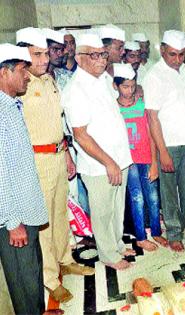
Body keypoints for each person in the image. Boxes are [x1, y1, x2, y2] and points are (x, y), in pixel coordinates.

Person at [16, 27, 94, 302]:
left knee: (60, 214)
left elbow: (57, 124)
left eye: (46, 54)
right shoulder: (20, 85)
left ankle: (65, 258)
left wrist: (67, 154)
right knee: (44, 221)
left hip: (58, 155)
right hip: (37, 161)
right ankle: (50, 278)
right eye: (37, 55)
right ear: (22, 54)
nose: (44, 60)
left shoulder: (49, 80)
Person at [62, 33, 133, 270]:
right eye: (95, 55)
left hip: (118, 159)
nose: (102, 60)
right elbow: (81, 135)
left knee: (117, 209)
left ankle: (118, 245)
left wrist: (119, 160)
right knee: (102, 213)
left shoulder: (102, 79)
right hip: (99, 165)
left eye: (103, 54)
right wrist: (109, 162)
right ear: (80, 57)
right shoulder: (75, 89)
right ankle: (108, 255)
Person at [0, 43, 48, 315]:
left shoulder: (10, 106)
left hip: (24, 210)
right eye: (22, 70)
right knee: (23, 282)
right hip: (14, 218)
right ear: (4, 73)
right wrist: (12, 222)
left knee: (32, 273)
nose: (28, 75)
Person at [143, 30, 185, 253]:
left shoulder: (183, 69)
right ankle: (174, 233)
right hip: (169, 144)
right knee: (169, 191)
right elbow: (152, 118)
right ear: (162, 50)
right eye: (172, 55)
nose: (177, 60)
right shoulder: (154, 76)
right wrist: (162, 152)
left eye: (181, 55)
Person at [113, 63, 168, 251]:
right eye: (125, 86)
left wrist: (154, 162)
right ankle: (140, 237)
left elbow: (151, 133)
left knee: (153, 196)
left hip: (146, 156)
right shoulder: (113, 108)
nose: (129, 91)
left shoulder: (142, 104)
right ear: (116, 86)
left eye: (132, 86)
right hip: (128, 160)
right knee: (137, 197)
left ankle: (156, 231)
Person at [99, 24, 126, 98]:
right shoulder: (94, 74)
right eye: (120, 48)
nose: (123, 52)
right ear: (105, 48)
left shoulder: (121, 69)